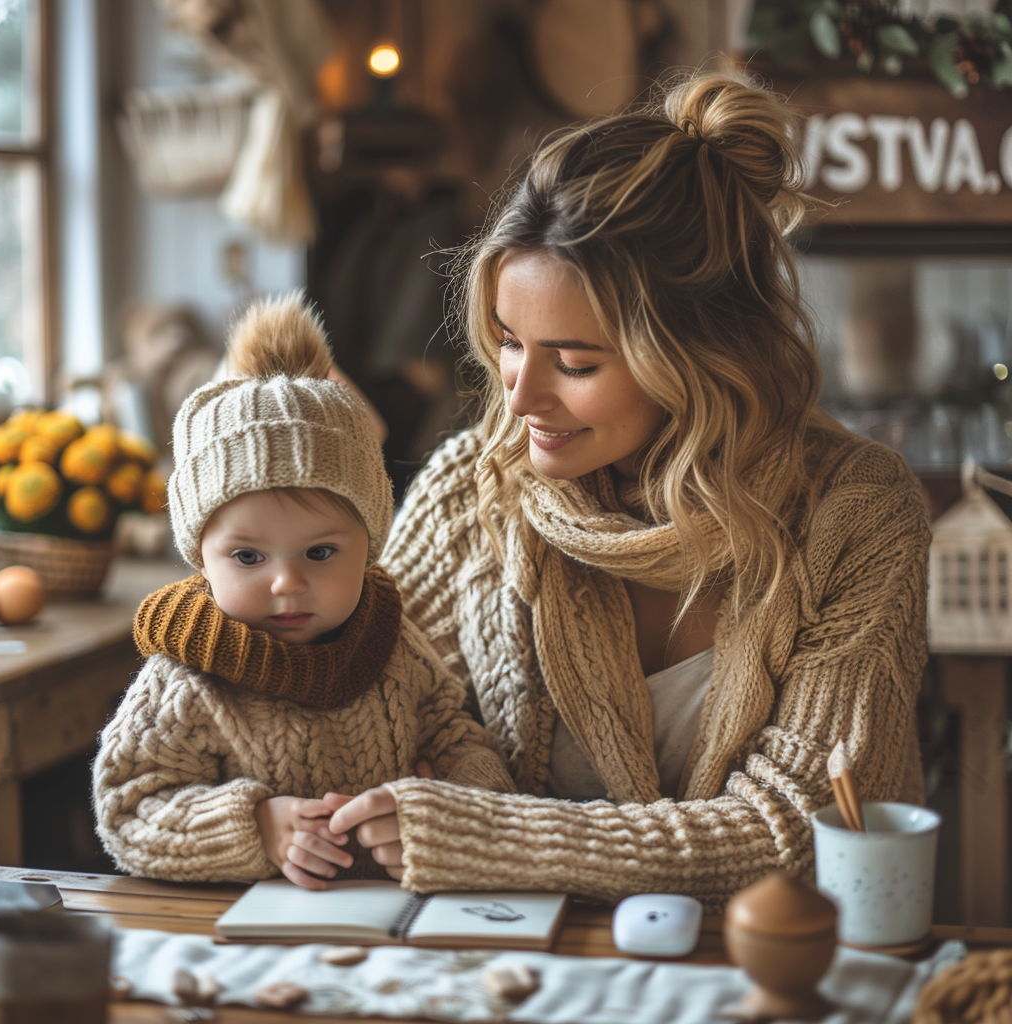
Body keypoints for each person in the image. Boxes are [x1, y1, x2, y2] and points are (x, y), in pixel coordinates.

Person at [325, 70, 932, 910]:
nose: (520, 396)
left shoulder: (856, 513)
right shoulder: (474, 491)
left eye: (575, 363)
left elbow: (794, 831)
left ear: (701, 355)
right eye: (508, 341)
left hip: (770, 973)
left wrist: (485, 831)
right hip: (517, 966)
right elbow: (351, 729)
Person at [92, 294, 514, 888]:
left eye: (320, 553)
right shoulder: (188, 678)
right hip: (243, 938)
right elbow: (128, 808)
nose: (287, 582)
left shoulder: (394, 649)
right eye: (247, 557)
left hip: (391, 927)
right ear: (201, 559)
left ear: (369, 545)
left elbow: (461, 737)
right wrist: (254, 827)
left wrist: (455, 803)